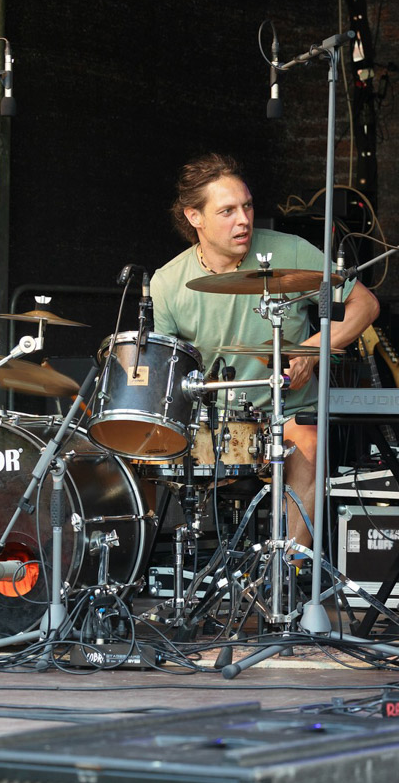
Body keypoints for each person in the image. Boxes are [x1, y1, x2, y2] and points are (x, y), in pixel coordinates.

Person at [150, 153, 380, 553]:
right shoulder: (168, 283)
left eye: (247, 206)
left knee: (308, 444)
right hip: (214, 423)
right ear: (194, 216)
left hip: (288, 413)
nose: (243, 220)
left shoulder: (292, 253)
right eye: (227, 211)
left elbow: (364, 304)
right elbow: (166, 373)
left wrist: (311, 350)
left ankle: (289, 568)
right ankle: (142, 569)